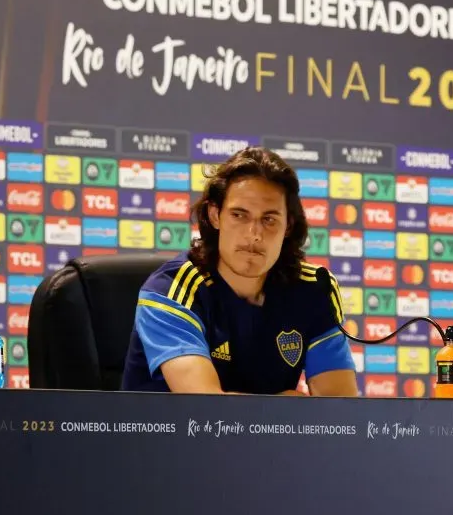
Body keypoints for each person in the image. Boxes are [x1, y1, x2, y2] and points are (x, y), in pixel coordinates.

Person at [121, 147, 358, 396]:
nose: (254, 234)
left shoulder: (314, 289)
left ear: (288, 226)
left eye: (269, 220)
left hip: (267, 436)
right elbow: (208, 411)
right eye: (239, 215)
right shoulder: (170, 290)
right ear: (215, 215)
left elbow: (339, 412)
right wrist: (290, 404)